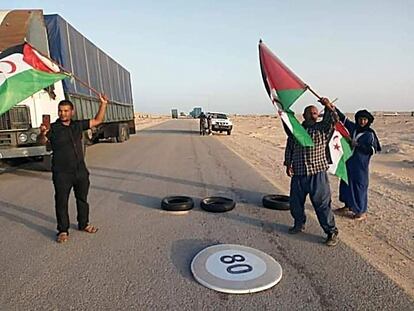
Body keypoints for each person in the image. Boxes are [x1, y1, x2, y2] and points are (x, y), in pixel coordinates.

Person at [38, 94, 108, 243]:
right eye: (60, 111)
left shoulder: (77, 125)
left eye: (66, 111)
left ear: (72, 112)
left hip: (80, 171)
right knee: (61, 201)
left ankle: (84, 224)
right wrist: (42, 133)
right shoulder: (54, 128)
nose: (63, 113)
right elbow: (42, 141)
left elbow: (98, 120)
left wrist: (103, 104)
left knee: (82, 199)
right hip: (62, 173)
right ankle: (63, 230)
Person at [284, 98, 339, 246]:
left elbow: (334, 120)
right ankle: (299, 223)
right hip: (299, 173)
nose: (313, 115)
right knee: (295, 202)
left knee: (322, 204)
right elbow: (289, 147)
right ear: (304, 115)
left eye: (315, 113)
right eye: (310, 113)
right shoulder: (296, 131)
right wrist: (288, 163)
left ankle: (331, 232)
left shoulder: (322, 129)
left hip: (317, 174)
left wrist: (328, 106)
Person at [335, 109, 381, 220]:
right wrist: (331, 107)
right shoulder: (354, 128)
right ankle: (347, 205)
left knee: (359, 186)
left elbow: (372, 150)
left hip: (360, 165)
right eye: (360, 119)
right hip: (349, 161)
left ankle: (361, 211)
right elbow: (343, 119)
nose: (362, 121)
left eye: (365, 119)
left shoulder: (370, 134)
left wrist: (358, 145)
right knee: (346, 183)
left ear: (368, 121)